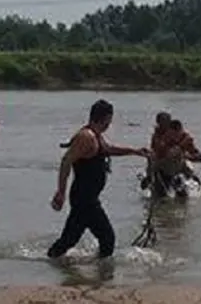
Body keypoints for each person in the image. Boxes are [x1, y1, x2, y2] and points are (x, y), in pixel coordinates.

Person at [47, 99, 150, 260]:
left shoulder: (97, 136)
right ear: (106, 117)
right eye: (110, 119)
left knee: (70, 240)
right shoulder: (85, 137)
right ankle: (101, 276)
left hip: (88, 197)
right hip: (84, 198)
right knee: (107, 238)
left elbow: (108, 149)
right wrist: (61, 192)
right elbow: (66, 161)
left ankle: (54, 263)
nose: (110, 123)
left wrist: (135, 151)